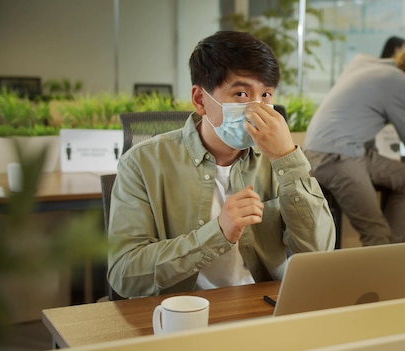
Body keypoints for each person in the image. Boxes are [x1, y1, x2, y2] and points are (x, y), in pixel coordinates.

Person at [107, 31, 336, 298]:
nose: (256, 108)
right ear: (200, 100)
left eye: (266, 95)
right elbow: (125, 274)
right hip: (180, 313)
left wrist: (286, 158)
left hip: (261, 307)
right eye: (241, 93)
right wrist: (218, 232)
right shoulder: (142, 162)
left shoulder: (279, 159)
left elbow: (319, 252)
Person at [304, 50, 405, 246]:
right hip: (336, 157)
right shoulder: (402, 81)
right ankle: (385, 254)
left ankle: (395, 246)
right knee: (376, 232)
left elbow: (358, 118)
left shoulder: (364, 67)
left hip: (329, 152)